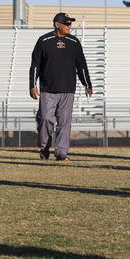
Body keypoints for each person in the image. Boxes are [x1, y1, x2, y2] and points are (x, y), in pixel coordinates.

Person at [30, 12, 93, 161]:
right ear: (57, 24)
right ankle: (44, 146)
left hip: (68, 90)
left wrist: (87, 84)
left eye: (70, 23)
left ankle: (61, 152)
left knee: (64, 123)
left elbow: (81, 66)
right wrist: (32, 85)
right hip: (48, 90)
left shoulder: (74, 42)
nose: (69, 26)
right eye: (66, 23)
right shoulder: (44, 40)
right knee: (45, 118)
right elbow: (35, 66)